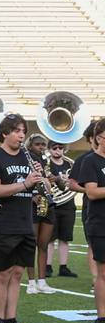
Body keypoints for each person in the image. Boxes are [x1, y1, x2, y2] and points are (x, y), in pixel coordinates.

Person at [0, 114, 42, 323]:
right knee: (3, 274)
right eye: (17, 131)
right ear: (5, 133)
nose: (21, 135)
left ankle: (11, 320)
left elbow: (29, 191)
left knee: (18, 273)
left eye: (23, 131)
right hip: (2, 223)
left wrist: (38, 186)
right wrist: (25, 183)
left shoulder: (28, 158)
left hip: (25, 222)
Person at [77, 118, 105, 323]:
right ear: (98, 138)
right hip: (100, 222)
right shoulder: (91, 161)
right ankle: (102, 317)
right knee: (103, 274)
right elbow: (92, 192)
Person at [24, 134, 56, 294]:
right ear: (30, 145)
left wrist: (52, 179)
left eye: (43, 144)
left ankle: (42, 281)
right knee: (31, 245)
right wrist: (31, 196)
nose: (41, 147)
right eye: (38, 144)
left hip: (46, 203)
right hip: (32, 203)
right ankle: (31, 282)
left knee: (43, 244)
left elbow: (48, 182)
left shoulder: (45, 161)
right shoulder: (25, 158)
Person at [68, 120, 98, 286]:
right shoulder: (84, 159)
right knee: (94, 244)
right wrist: (92, 191)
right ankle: (96, 280)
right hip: (92, 208)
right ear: (91, 138)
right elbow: (72, 183)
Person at [46, 141, 77, 278]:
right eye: (54, 148)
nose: (58, 150)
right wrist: (57, 180)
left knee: (65, 238)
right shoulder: (46, 164)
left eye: (60, 148)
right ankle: (47, 267)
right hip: (52, 204)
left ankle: (63, 267)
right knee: (50, 239)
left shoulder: (70, 165)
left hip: (68, 204)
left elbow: (76, 182)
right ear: (49, 149)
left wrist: (67, 181)